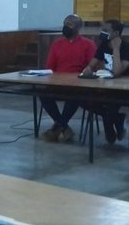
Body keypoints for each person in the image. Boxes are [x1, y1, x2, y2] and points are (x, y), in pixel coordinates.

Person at [81, 20, 129, 143]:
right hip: (107, 86)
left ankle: (111, 129)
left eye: (106, 30)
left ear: (116, 33)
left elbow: (117, 71)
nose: (102, 33)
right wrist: (88, 69)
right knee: (81, 100)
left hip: (126, 89)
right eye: (102, 30)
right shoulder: (103, 46)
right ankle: (118, 119)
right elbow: (92, 64)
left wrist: (116, 49)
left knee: (110, 106)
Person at [40, 14, 96, 142]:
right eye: (65, 24)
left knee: (75, 96)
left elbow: (92, 67)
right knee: (43, 94)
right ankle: (63, 127)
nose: (66, 27)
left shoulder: (88, 44)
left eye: (69, 24)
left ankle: (57, 128)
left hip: (78, 84)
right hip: (58, 83)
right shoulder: (57, 44)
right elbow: (50, 67)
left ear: (78, 27)